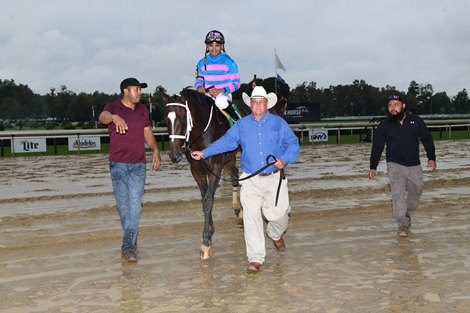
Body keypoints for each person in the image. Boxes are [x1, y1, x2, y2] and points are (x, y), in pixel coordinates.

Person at [191, 86, 300, 272]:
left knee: (279, 216)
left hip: (274, 177)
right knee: (251, 219)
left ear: (267, 104)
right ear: (250, 104)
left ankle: (274, 234)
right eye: (254, 102)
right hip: (249, 179)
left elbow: (293, 144)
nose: (258, 105)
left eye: (261, 102)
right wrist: (204, 152)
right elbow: (226, 142)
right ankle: (256, 258)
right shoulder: (241, 125)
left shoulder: (278, 123)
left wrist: (285, 159)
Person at [99, 77, 161, 262]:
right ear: (126, 91)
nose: (140, 92)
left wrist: (156, 150)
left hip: (138, 166)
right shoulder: (113, 107)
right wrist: (114, 117)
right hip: (117, 166)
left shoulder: (142, 110)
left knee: (134, 207)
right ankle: (132, 238)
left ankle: (128, 248)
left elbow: (147, 132)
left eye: (140, 89)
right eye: (137, 89)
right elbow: (102, 118)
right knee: (124, 208)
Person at [369, 93, 436, 237]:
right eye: (390, 105)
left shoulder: (416, 121)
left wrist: (432, 157)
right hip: (394, 165)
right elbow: (377, 146)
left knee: (417, 190)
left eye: (396, 104)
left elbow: (427, 139)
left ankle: (405, 211)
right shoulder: (384, 125)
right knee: (397, 195)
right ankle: (403, 224)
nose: (393, 108)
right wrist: (373, 166)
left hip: (414, 165)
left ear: (403, 106)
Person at [195, 29, 241, 121]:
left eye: (217, 45)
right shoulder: (201, 63)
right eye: (211, 45)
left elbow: (236, 83)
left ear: (222, 46)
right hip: (207, 95)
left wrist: (221, 90)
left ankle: (236, 120)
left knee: (220, 101)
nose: (214, 48)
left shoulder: (229, 62)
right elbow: (198, 81)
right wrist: (199, 87)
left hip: (224, 95)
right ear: (207, 46)